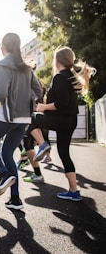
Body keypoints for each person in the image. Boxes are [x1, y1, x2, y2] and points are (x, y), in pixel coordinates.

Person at [0, 33, 42, 210]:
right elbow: (39, 92)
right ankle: (15, 199)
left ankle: (3, 174)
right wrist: (30, 106)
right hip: (24, 118)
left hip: (8, 116)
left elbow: (0, 94)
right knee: (7, 153)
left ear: (4, 46)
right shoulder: (27, 68)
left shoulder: (1, 65)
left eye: (0, 45)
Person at [29, 46, 96, 201]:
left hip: (61, 120)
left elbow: (61, 103)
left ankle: (43, 145)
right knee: (64, 154)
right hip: (71, 120)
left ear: (57, 61)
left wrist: (43, 107)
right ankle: (74, 191)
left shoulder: (59, 77)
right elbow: (64, 102)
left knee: (30, 119)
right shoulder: (71, 76)